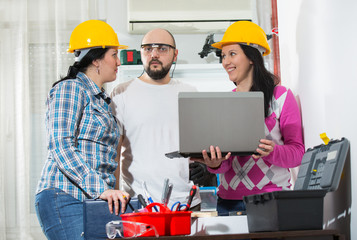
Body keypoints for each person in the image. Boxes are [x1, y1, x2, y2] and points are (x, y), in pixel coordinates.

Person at [192, 21, 305, 216]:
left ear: (252, 56)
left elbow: (298, 154)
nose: (225, 62)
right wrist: (214, 163)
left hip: (273, 201)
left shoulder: (281, 97)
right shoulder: (225, 103)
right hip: (229, 204)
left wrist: (271, 151)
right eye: (223, 56)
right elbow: (226, 164)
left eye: (232, 54)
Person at [35, 20, 131, 239]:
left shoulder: (103, 102)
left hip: (92, 198)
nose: (119, 62)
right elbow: (61, 146)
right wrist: (101, 190)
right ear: (96, 59)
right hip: (65, 195)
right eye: (114, 55)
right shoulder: (70, 88)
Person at [110, 28, 203, 210]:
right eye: (147, 48)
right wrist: (114, 197)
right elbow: (114, 152)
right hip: (138, 204)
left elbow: (198, 149)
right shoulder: (121, 93)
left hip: (186, 203)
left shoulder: (189, 93)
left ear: (175, 55)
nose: (154, 54)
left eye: (162, 49)